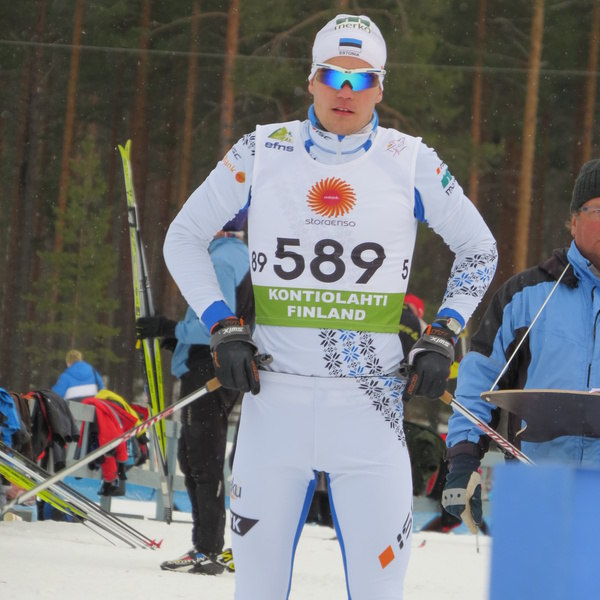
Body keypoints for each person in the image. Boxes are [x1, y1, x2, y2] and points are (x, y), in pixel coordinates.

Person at [163, 13, 497, 599]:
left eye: (361, 78)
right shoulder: (262, 149)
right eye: (332, 76)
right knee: (257, 590)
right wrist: (222, 326)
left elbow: (479, 249)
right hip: (275, 405)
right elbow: (182, 237)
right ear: (311, 80)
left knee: (379, 591)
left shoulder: (409, 159)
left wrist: (443, 333)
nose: (346, 91)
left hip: (370, 408)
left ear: (381, 87)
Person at [442, 158, 600, 533]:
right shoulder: (526, 296)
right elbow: (479, 379)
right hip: (537, 488)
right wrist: (464, 460)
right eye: (599, 211)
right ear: (573, 221)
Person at [137, 218, 252, 575]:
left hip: (210, 368)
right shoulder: (239, 254)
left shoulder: (221, 259)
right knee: (193, 455)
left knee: (201, 457)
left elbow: (214, 324)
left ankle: (207, 548)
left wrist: (172, 328)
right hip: (216, 364)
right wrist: (180, 340)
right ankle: (206, 545)